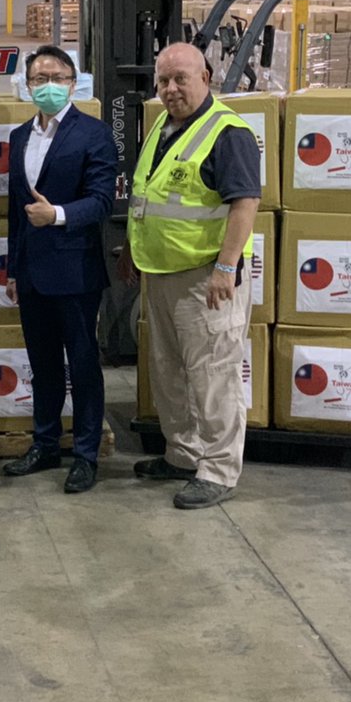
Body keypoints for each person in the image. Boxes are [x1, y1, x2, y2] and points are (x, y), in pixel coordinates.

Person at [120, 41, 260, 510]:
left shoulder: (228, 133)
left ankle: (219, 470)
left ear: (206, 77)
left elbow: (245, 203)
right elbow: (148, 197)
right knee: (168, 372)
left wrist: (226, 266)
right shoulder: (162, 123)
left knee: (213, 376)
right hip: (159, 273)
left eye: (181, 78)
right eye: (162, 80)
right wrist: (132, 251)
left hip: (206, 279)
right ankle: (182, 454)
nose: (170, 88)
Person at [1, 45, 117, 494]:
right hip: (31, 272)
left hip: (76, 272)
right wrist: (12, 269)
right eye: (38, 77)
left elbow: (103, 200)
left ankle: (86, 454)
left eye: (56, 76)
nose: (47, 84)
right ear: (27, 85)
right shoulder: (17, 137)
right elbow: (17, 210)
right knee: (42, 363)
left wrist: (60, 215)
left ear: (73, 81)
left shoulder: (94, 133)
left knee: (83, 363)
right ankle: (45, 442)